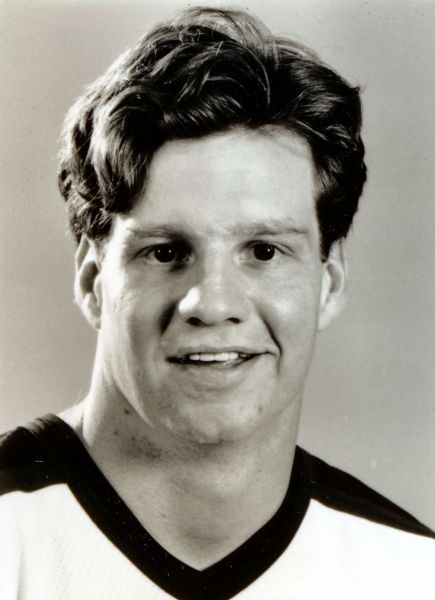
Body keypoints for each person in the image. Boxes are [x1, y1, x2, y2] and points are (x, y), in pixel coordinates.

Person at [0, 7, 433, 599]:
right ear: (92, 279)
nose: (212, 302)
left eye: (264, 250)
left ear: (328, 281)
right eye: (164, 252)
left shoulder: (412, 574)